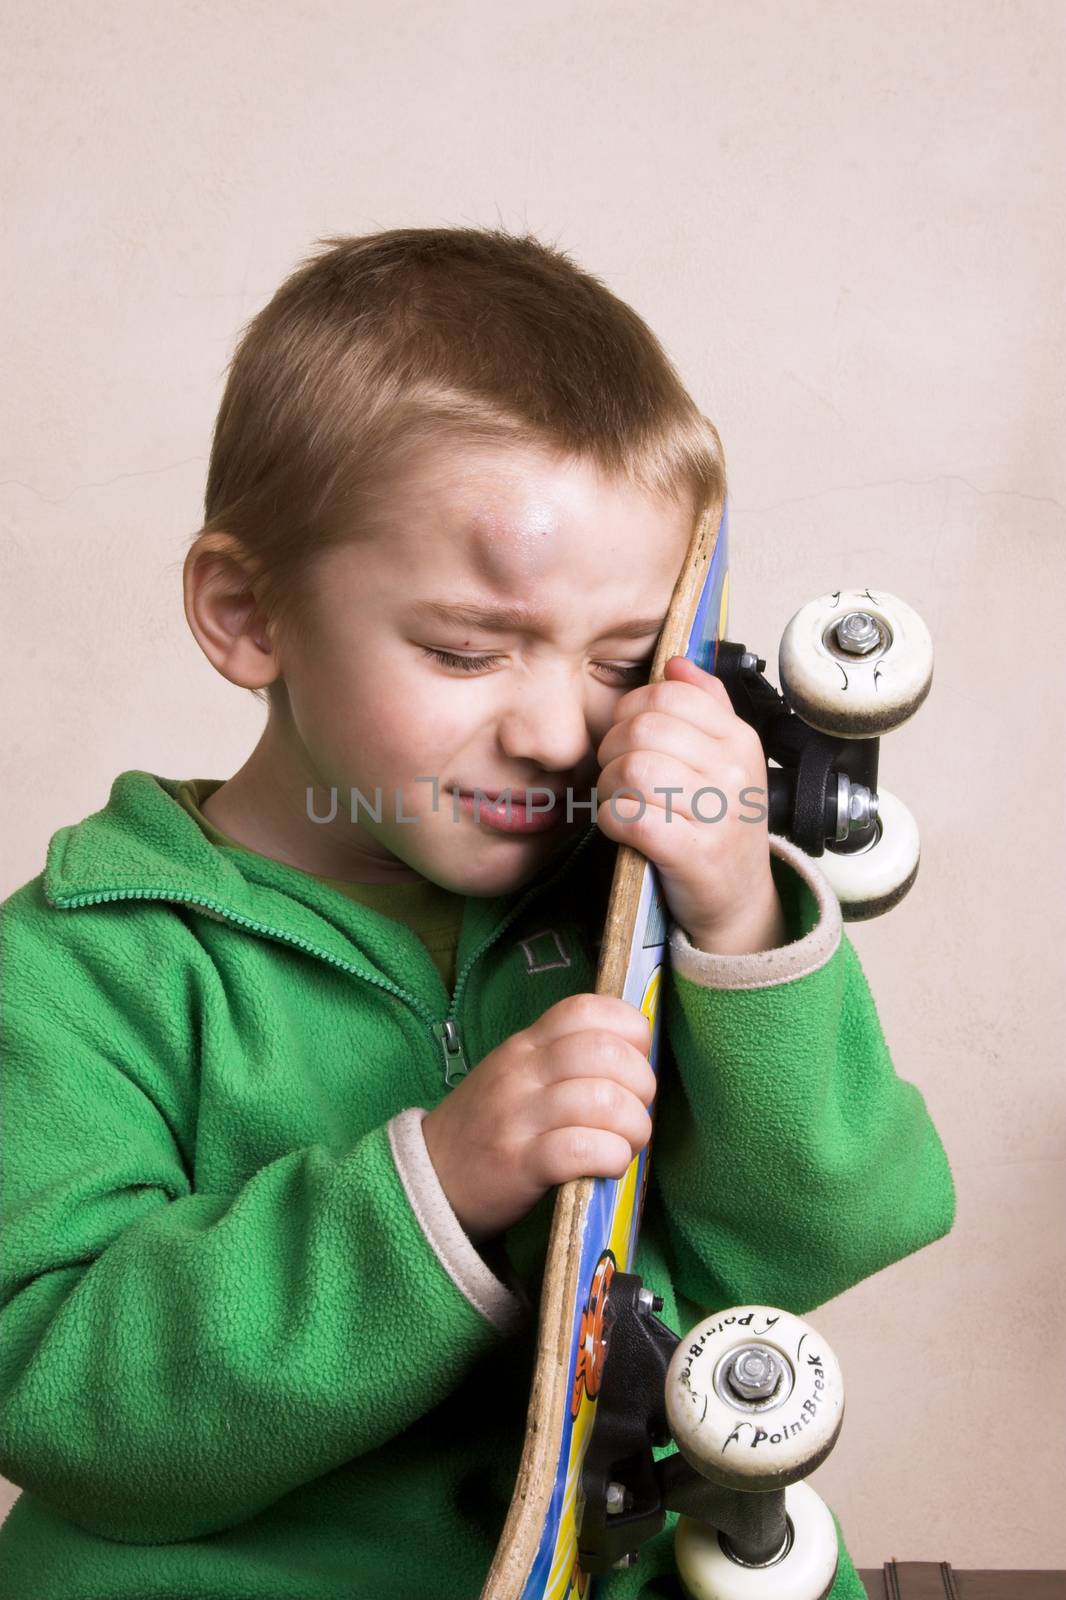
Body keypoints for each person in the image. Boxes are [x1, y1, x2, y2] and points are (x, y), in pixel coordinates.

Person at [0, 228, 954, 1599]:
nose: (558, 727)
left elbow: (822, 1236)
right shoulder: (80, 967)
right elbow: (62, 1408)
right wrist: (430, 1191)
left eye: (621, 661)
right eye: (464, 649)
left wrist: (741, 914)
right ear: (245, 612)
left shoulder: (635, 896)